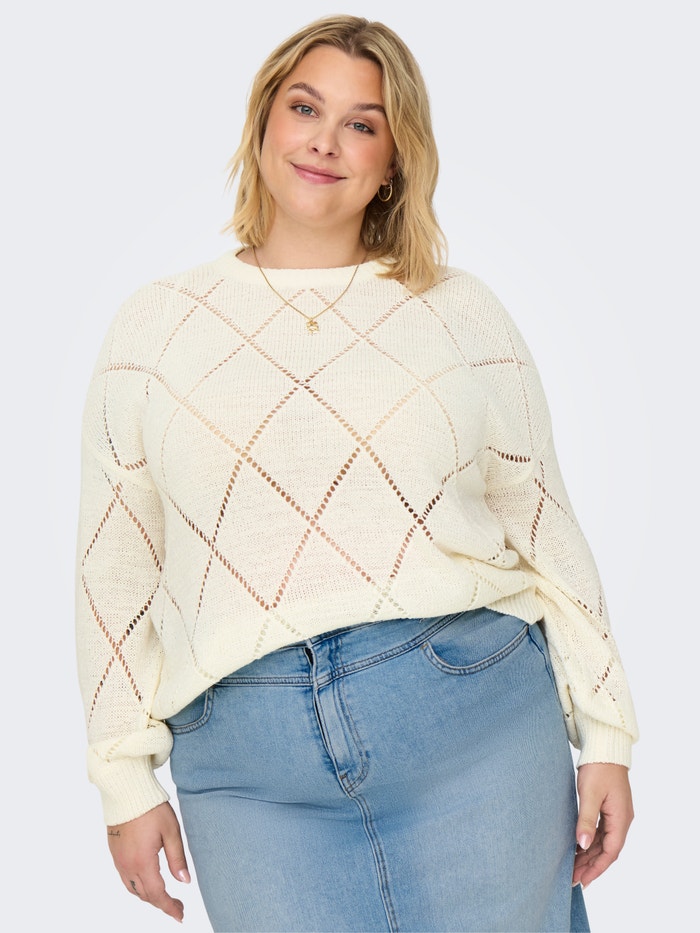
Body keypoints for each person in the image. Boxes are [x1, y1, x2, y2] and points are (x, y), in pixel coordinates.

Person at [76, 14, 638, 933]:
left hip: (471, 727)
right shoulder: (155, 327)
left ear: (393, 161)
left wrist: (607, 729)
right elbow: (115, 565)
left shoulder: (459, 312)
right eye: (305, 108)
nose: (325, 141)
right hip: (249, 773)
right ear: (264, 121)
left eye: (362, 123)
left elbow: (542, 520)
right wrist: (122, 779)